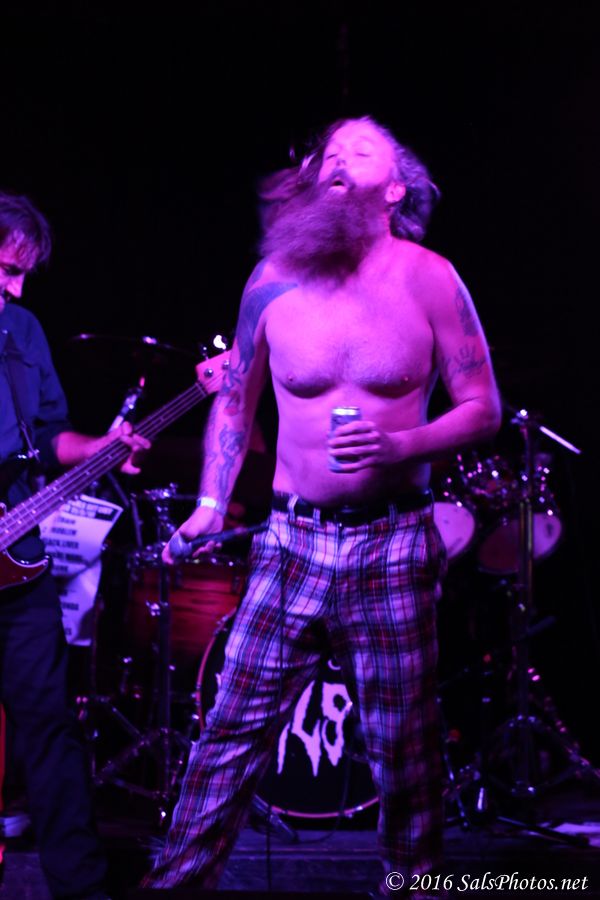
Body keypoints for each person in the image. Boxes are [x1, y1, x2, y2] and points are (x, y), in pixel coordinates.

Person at [141, 116, 501, 896]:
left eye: (361, 151)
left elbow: (483, 407)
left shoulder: (431, 278)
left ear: (395, 190)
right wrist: (210, 502)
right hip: (291, 540)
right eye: (330, 151)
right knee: (229, 734)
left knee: (404, 749)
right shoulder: (271, 279)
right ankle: (175, 887)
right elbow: (235, 396)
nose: (339, 158)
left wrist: (401, 446)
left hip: (392, 541)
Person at [0, 190, 150, 899]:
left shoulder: (23, 330)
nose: (17, 288)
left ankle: (81, 887)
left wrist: (99, 448)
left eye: (23, 273)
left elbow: (50, 435)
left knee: (50, 722)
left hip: (18, 557)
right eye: (6, 270)